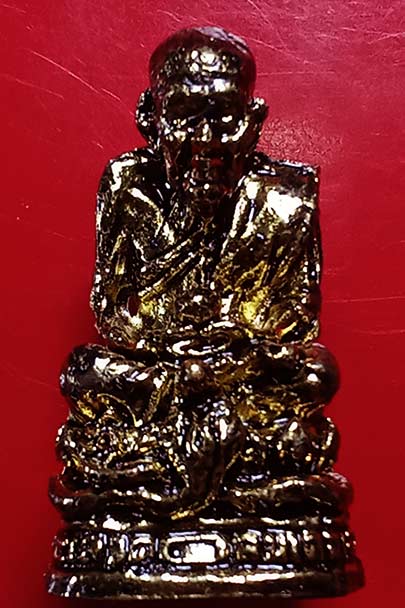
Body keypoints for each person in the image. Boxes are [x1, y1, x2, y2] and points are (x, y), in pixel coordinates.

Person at [53, 27, 342, 522]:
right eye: (185, 118)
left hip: (240, 366)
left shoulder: (288, 197)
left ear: (253, 121)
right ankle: (226, 466)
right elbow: (111, 308)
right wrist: (171, 346)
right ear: (150, 118)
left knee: (318, 371)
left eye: (224, 120)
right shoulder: (128, 186)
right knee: (83, 368)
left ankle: (165, 472)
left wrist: (237, 344)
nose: (206, 143)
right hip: (165, 369)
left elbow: (297, 319)